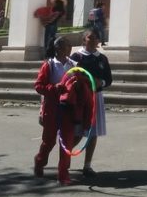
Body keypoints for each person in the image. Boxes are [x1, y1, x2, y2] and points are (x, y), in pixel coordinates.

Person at [33, 36, 81, 185]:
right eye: (67, 45)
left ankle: (63, 174)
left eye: (70, 45)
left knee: (66, 142)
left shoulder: (74, 65)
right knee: (49, 141)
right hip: (52, 108)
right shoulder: (49, 65)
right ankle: (40, 161)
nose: (70, 47)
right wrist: (54, 88)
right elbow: (39, 86)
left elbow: (81, 86)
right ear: (58, 48)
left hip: (68, 109)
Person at [71, 30, 112, 177]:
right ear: (84, 40)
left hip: (96, 97)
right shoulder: (77, 57)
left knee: (93, 132)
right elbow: (70, 74)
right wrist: (85, 81)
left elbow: (109, 79)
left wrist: (101, 81)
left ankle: (87, 165)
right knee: (78, 131)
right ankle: (66, 156)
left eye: (96, 38)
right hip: (80, 98)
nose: (94, 40)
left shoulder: (102, 58)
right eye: (90, 38)